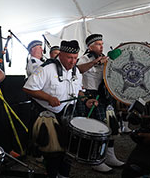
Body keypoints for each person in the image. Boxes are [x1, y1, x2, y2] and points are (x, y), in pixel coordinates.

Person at [23, 40, 97, 178]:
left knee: (68, 151)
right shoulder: (46, 68)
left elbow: (78, 91)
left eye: (75, 58)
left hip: (69, 114)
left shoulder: (76, 71)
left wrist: (86, 100)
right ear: (61, 55)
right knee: (54, 153)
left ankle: (64, 175)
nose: (72, 61)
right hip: (48, 115)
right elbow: (28, 88)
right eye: (69, 58)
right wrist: (48, 98)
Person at [77, 33, 124, 173]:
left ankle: (110, 156)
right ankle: (96, 159)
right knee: (97, 129)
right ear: (90, 46)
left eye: (102, 43)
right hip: (92, 96)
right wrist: (96, 62)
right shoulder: (84, 58)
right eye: (98, 44)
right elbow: (78, 70)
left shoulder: (106, 58)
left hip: (105, 96)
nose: (101, 46)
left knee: (111, 125)